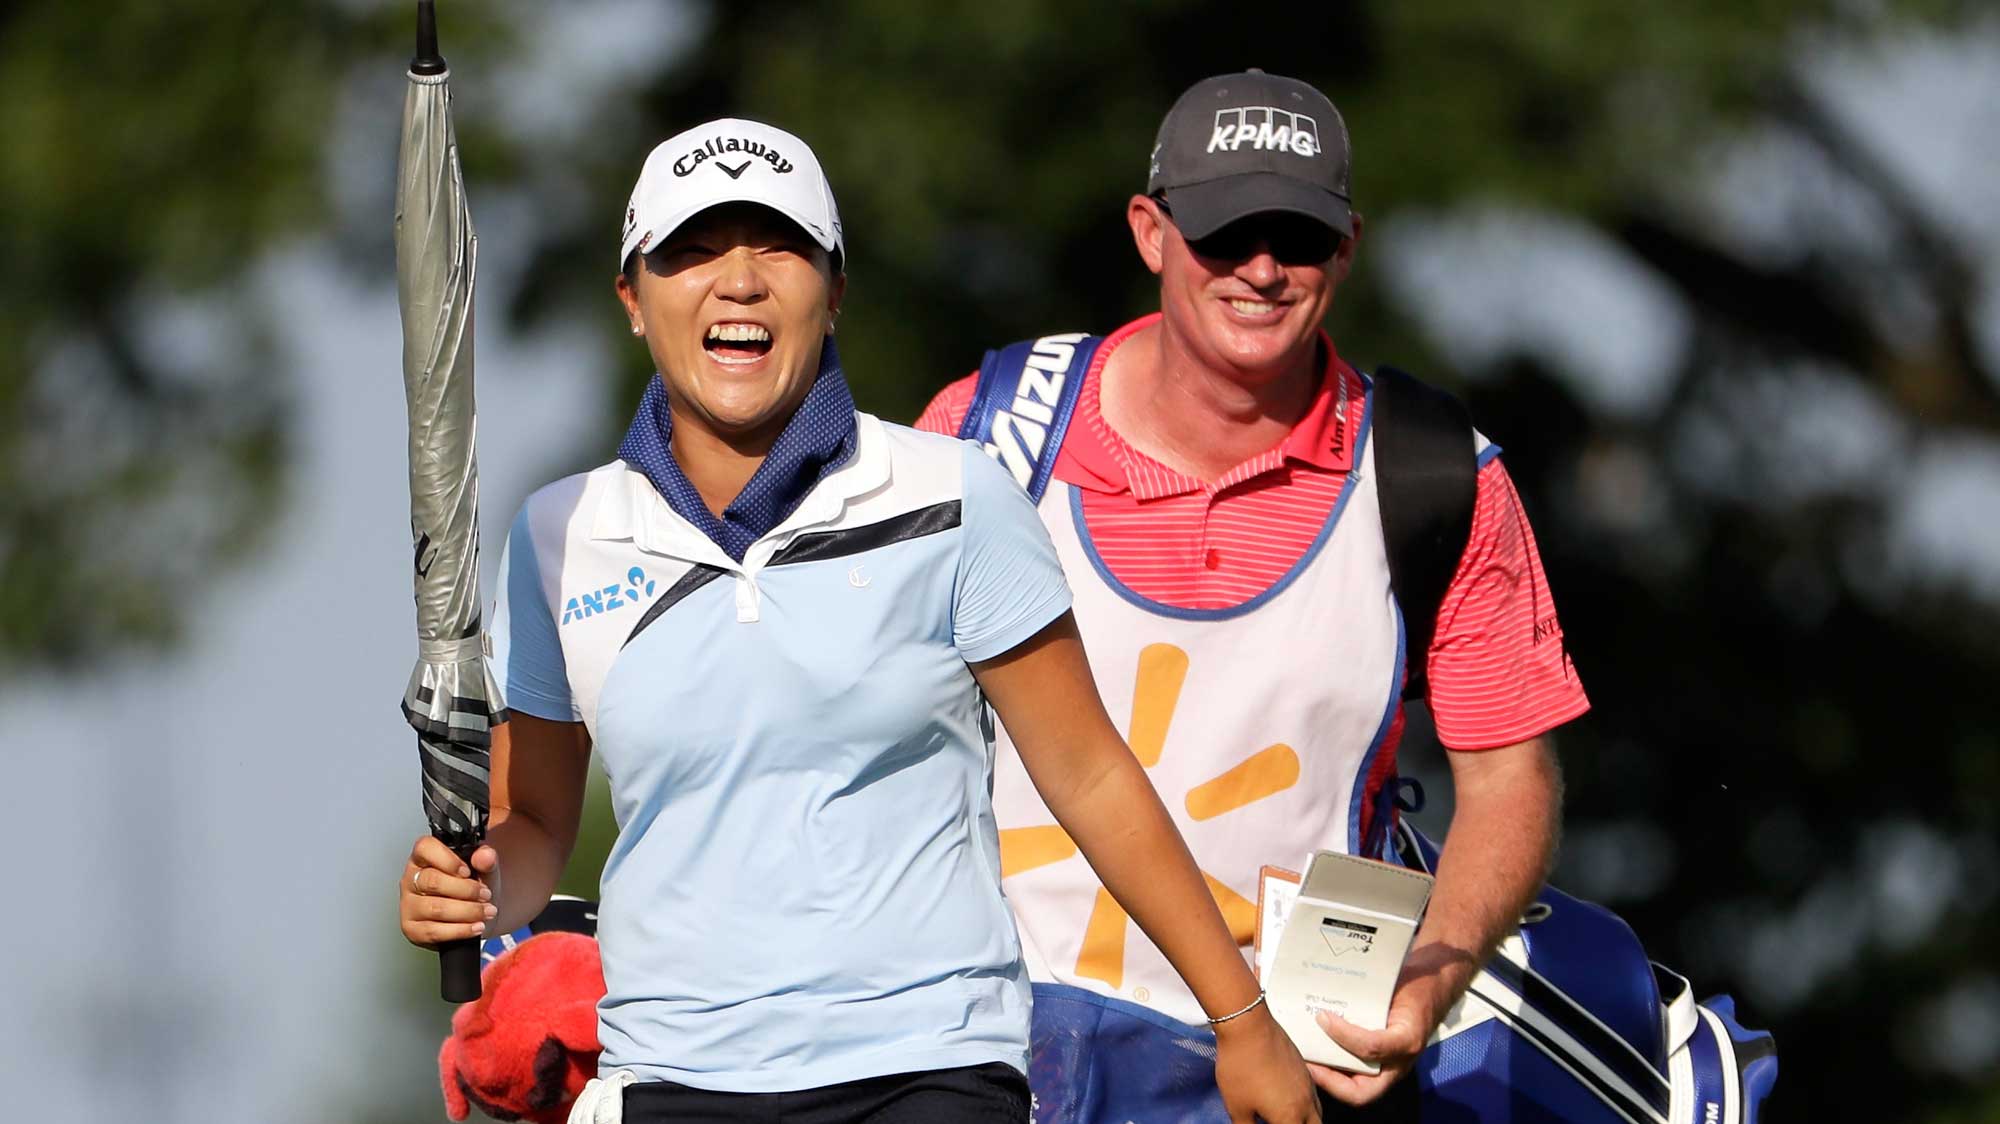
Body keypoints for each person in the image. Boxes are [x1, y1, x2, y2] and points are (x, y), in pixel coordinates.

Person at [397, 118, 1320, 1124]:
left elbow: (1090, 774)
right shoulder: (559, 534)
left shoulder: (953, 494)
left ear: (833, 290)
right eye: (692, 252)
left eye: (778, 246)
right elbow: (532, 824)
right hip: (671, 1073)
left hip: (927, 1066)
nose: (738, 280)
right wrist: (476, 888)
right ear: (632, 298)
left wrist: (1241, 1017)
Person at [916, 71, 1589, 1116]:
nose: (1262, 271)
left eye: (1298, 238)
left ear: (1347, 247)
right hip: (980, 1054)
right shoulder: (988, 433)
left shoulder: (1432, 476)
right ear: (1150, 231)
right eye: (1224, 234)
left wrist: (1427, 979)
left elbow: (1508, 776)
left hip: (1269, 1077)